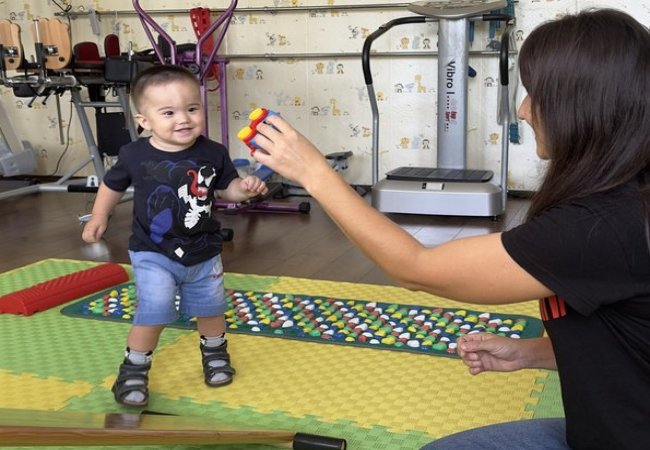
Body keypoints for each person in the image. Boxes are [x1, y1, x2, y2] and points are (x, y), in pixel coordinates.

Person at [248, 8, 650, 450]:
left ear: (583, 106)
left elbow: (415, 266)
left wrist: (313, 172)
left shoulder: (598, 228)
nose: (522, 110)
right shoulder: (625, 202)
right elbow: (629, 344)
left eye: (536, 95)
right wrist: (529, 353)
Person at [82, 65, 268, 407]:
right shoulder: (135, 154)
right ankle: (134, 368)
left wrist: (245, 188)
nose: (183, 119)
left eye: (192, 108)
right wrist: (99, 216)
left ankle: (215, 354)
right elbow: (112, 184)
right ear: (144, 121)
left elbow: (226, 189)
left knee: (211, 309)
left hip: (204, 250)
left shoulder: (213, 152)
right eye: (168, 112)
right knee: (154, 311)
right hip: (153, 251)